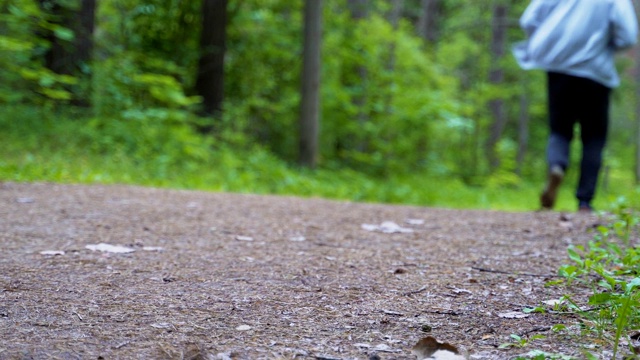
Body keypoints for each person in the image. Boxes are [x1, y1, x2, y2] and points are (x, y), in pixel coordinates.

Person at [513, 0, 638, 212]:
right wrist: (607, 43)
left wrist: (551, 40)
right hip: (596, 72)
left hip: (559, 69)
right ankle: (584, 201)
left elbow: (529, 20)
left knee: (559, 130)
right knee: (594, 137)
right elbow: (627, 35)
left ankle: (556, 166)